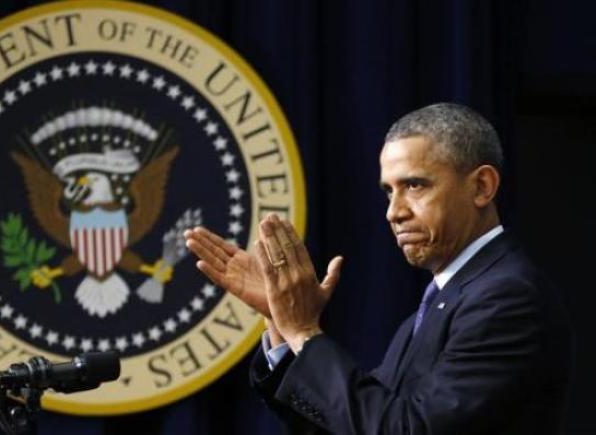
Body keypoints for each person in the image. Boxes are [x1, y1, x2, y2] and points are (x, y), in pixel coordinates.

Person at [183, 103, 571, 434]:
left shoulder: (507, 299)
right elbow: (351, 422)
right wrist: (280, 321)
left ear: (482, 187)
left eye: (415, 186)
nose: (393, 212)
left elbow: (405, 430)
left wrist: (303, 330)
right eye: (389, 191)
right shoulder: (439, 303)